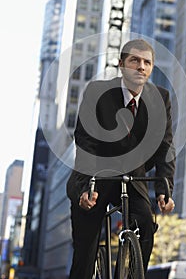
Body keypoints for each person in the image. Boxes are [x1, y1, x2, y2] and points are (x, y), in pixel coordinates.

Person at [66, 38, 176, 278]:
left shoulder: (161, 99)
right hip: (95, 172)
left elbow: (165, 146)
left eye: (147, 62)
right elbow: (85, 141)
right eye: (134, 60)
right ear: (121, 64)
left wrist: (164, 188)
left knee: (146, 223)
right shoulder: (97, 92)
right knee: (85, 251)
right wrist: (86, 186)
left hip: (131, 177)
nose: (141, 67)